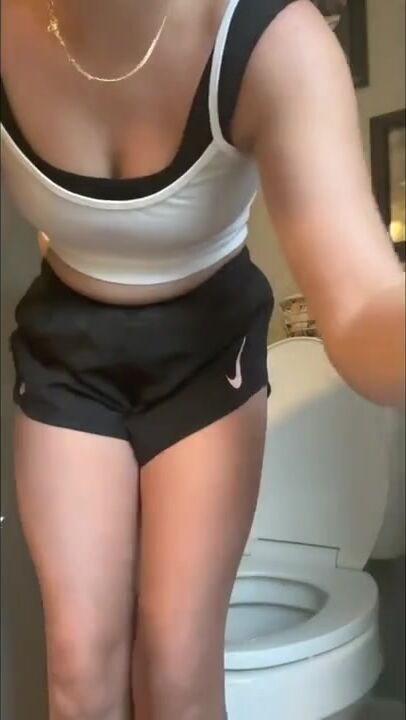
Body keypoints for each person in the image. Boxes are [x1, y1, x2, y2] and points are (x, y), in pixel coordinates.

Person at [1, 1, 405, 719]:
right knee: (78, 668)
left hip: (208, 350)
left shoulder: (273, 42)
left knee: (175, 668)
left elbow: (361, 306)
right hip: (67, 345)